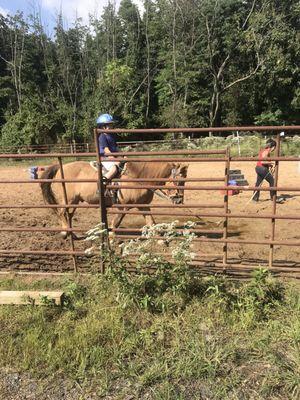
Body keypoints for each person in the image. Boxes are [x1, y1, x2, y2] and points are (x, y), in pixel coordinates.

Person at [96, 113, 120, 182]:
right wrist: (114, 159)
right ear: (103, 127)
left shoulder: (112, 136)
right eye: (109, 125)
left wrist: (123, 155)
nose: (112, 127)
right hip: (105, 158)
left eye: (112, 125)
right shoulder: (102, 137)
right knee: (114, 168)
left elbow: (116, 148)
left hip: (112, 157)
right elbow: (106, 150)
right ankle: (103, 182)